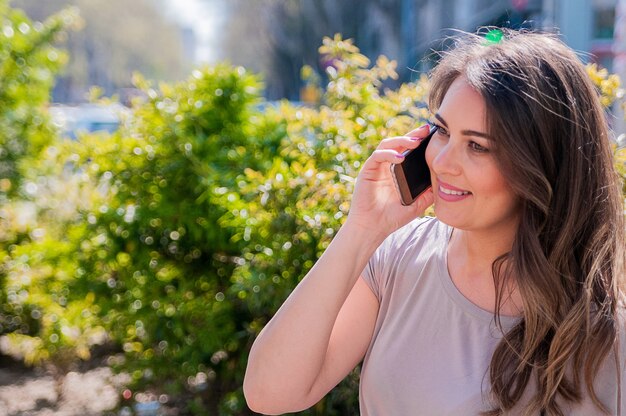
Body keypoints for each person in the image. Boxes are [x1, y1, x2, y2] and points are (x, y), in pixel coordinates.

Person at [243, 28, 626, 416]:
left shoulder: (607, 330)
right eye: (442, 131)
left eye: (477, 146)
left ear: (542, 165)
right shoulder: (399, 256)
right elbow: (271, 393)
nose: (441, 162)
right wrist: (362, 230)